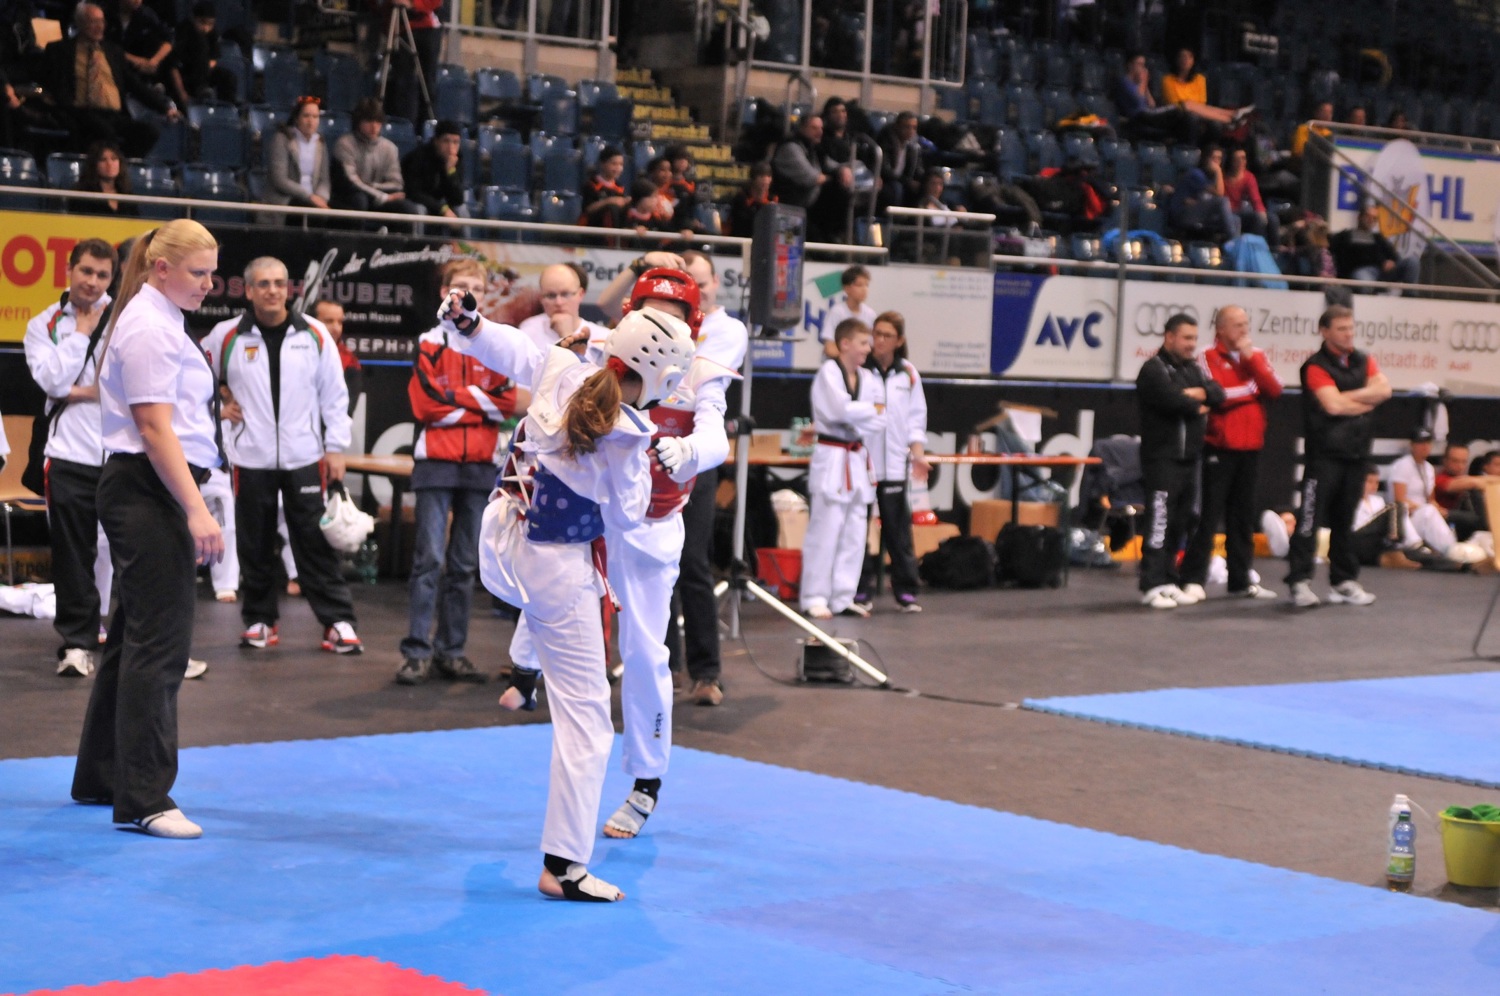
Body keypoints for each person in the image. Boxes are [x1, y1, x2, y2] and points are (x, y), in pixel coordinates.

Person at [437, 285, 695, 903]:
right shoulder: (626, 436)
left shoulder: (562, 366)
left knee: (551, 616)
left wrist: (471, 326)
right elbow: (628, 517)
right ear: (657, 375)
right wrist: (656, 461)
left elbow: (515, 352)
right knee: (587, 721)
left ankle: (523, 674)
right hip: (556, 566)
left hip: (505, 537)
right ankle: (565, 866)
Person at [71, 218, 224, 839]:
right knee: (160, 646)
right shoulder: (149, 327)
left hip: (146, 484)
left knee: (133, 636)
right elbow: (155, 429)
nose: (208, 284)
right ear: (162, 268)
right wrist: (196, 509)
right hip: (148, 487)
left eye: (213, 273)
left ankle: (101, 775)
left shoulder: (158, 319)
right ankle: (145, 798)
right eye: (198, 272)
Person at [201, 257, 361, 653]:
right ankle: (260, 621)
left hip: (304, 455)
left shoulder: (315, 333)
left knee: (313, 541)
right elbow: (194, 379)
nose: (272, 290)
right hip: (249, 456)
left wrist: (335, 448)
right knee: (254, 542)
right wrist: (220, 405)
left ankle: (337, 621)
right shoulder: (226, 336)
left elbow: (334, 395)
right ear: (249, 290)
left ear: (289, 289)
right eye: (264, 284)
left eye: (279, 283)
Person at [397, 259, 522, 685]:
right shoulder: (429, 342)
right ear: (445, 293)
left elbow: (506, 404)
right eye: (461, 286)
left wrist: (457, 400)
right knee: (429, 560)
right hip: (435, 461)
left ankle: (451, 652)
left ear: (484, 295)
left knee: (466, 564)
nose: (469, 293)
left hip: (481, 465)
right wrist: (479, 404)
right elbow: (424, 406)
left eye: (477, 288)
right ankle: (416, 652)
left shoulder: (497, 344)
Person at [24, 239, 117, 677]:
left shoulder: (126, 317)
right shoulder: (43, 323)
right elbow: (52, 382)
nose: (93, 282)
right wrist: (80, 333)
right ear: (69, 270)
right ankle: (77, 644)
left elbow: (127, 383)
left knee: (135, 552)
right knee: (73, 555)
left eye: (102, 275)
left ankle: (141, 642)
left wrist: (80, 390)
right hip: (68, 454)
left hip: (124, 454)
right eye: (86, 271)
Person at [663, 251, 746, 707]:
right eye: (685, 282)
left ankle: (706, 671)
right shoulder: (662, 320)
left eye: (701, 281)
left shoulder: (727, 329)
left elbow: (690, 374)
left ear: (715, 283)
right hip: (654, 450)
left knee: (692, 561)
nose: (695, 289)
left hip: (699, 451)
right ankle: (665, 667)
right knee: (655, 562)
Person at [1287, 305, 1391, 608]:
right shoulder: (1314, 366)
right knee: (1309, 520)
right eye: (1342, 329)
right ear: (1325, 331)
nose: (1349, 334)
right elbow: (1332, 406)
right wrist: (1364, 399)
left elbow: (1384, 390)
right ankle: (1299, 581)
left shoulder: (1363, 359)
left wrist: (1346, 398)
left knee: (1345, 521)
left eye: (1351, 328)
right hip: (1324, 456)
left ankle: (1343, 581)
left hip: (1356, 455)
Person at [1179, 305, 1282, 602]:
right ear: (1221, 329)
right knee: (1208, 516)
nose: (1244, 330)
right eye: (1237, 324)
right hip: (1219, 447)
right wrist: (1252, 388)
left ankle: (1240, 580)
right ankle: (1192, 579)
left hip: (1251, 447)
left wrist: (1251, 362)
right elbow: (1218, 395)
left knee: (1243, 517)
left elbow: (1274, 389)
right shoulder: (1206, 356)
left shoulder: (1256, 355)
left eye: (1246, 324)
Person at [1136, 313, 1224, 609]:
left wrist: (1200, 394)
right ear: (1169, 337)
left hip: (1189, 459)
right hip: (1162, 459)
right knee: (1159, 521)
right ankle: (1151, 584)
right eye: (1186, 338)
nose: (1191, 344)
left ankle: (1169, 580)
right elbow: (1171, 400)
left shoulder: (1192, 369)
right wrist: (1196, 403)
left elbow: (1218, 393)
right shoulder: (1153, 369)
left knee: (1181, 522)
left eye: (1194, 338)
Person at [801, 318, 883, 620]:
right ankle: (815, 596)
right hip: (832, 455)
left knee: (854, 532)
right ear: (845, 344)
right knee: (826, 530)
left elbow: (881, 417)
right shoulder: (829, 372)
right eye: (863, 343)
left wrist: (857, 413)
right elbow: (837, 411)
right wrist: (866, 411)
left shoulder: (868, 377)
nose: (868, 349)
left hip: (857, 458)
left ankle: (842, 596)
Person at [42, 2, 178, 157]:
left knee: (148, 133)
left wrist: (164, 107)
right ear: (80, 23)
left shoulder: (113, 52)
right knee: (104, 132)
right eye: (94, 22)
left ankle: (120, 164)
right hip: (79, 111)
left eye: (102, 21)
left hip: (113, 114)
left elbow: (135, 85)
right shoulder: (59, 50)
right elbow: (52, 83)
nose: (100, 27)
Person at [859, 311, 929, 612]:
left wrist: (918, 456)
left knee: (898, 531)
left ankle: (906, 590)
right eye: (876, 333)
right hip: (862, 464)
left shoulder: (908, 373)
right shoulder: (861, 369)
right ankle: (859, 590)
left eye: (887, 335)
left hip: (895, 465)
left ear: (899, 341)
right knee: (858, 529)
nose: (880, 340)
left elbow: (916, 420)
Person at [331, 97, 425, 221]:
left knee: (408, 208)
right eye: (369, 121)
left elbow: (396, 184)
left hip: (379, 197)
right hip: (351, 195)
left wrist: (371, 187)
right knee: (360, 200)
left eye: (378, 121)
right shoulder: (345, 144)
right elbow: (351, 182)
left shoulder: (390, 148)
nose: (374, 126)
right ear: (358, 122)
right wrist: (382, 196)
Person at [263, 96, 331, 222]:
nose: (311, 121)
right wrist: (309, 197)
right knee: (313, 216)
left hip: (314, 198)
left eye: (315, 117)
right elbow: (280, 180)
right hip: (287, 198)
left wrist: (322, 198)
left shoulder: (320, 143)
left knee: (342, 215)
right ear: (297, 118)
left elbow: (324, 180)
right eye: (306, 116)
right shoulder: (282, 139)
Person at [375, 0, 441, 125]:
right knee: (402, 82)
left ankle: (427, 124)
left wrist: (412, 4)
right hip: (400, 28)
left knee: (427, 82)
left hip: (427, 28)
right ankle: (404, 124)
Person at [1330, 204, 1420, 293]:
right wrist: (1381, 262)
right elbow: (1358, 257)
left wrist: (1392, 262)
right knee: (1364, 281)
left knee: (1412, 261)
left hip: (1383, 273)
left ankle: (1409, 296)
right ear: (1359, 217)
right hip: (1361, 271)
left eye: (1374, 218)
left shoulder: (1378, 238)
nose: (1371, 220)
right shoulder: (1346, 235)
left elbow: (1394, 256)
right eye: (1368, 216)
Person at [1112, 51, 1197, 144]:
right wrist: (1143, 82)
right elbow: (1138, 101)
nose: (1142, 68)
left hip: (1148, 114)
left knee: (1185, 119)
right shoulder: (1124, 82)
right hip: (1138, 116)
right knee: (1176, 109)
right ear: (1130, 65)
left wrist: (1146, 87)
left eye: (1144, 65)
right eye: (1139, 64)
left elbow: (1152, 104)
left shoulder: (1140, 84)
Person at [1160, 48, 1253, 132]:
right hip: (1175, 114)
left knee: (1194, 107)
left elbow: (1202, 104)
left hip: (1197, 113)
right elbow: (1174, 103)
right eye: (1182, 56)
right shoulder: (1167, 80)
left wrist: (1193, 105)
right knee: (1187, 104)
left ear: (1193, 61)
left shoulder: (1200, 79)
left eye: (1189, 57)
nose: (1185, 60)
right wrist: (1191, 104)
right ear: (1177, 60)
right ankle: (1230, 118)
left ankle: (1232, 115)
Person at [517, 263, 602, 354]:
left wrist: (567, 334)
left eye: (565, 294)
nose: (559, 302)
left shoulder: (602, 337)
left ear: (580, 294)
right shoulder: (528, 332)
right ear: (541, 298)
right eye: (551, 295)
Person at [168, 1, 235, 107]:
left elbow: (213, 59)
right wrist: (182, 94)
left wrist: (205, 68)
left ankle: (226, 109)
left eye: (210, 24)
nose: (206, 28)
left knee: (228, 77)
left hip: (203, 72)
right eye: (202, 22)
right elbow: (173, 66)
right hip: (185, 73)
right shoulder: (184, 31)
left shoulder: (212, 34)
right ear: (194, 19)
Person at [401, 119, 468, 221]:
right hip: (419, 202)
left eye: (455, 142)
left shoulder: (457, 159)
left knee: (461, 210)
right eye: (446, 141)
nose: (451, 147)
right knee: (419, 210)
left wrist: (450, 171)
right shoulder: (419, 156)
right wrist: (442, 209)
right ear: (436, 141)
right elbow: (414, 193)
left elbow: (458, 200)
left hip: (439, 203)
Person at [312, 299, 363, 415]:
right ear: (312, 323)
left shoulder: (349, 361)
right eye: (329, 321)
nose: (336, 328)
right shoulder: (293, 352)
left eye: (340, 322)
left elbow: (345, 411)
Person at [822, 264, 875, 359]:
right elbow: (829, 347)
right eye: (859, 285)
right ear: (846, 289)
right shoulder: (837, 312)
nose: (864, 289)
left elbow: (872, 346)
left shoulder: (871, 314)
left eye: (867, 285)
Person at [73, 139, 137, 217]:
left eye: (114, 159)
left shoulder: (127, 194)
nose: (109, 164)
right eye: (103, 160)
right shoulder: (82, 194)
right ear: (94, 164)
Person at [876, 111, 923, 212]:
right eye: (907, 127)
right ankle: (893, 219)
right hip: (885, 181)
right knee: (896, 188)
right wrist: (907, 182)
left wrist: (925, 180)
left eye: (914, 128)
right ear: (897, 126)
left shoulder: (914, 146)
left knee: (925, 187)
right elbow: (885, 171)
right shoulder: (886, 140)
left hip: (903, 181)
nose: (911, 131)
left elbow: (918, 169)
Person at [1222, 147, 1270, 238]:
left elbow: (1255, 199)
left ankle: (1274, 245)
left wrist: (1261, 211)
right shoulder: (1222, 177)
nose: (1242, 162)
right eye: (1238, 159)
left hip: (1241, 210)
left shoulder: (1248, 177)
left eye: (1244, 158)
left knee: (1272, 218)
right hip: (1227, 212)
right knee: (1255, 218)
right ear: (1231, 162)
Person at [579, 145, 629, 229]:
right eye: (614, 164)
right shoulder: (591, 185)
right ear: (602, 164)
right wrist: (609, 201)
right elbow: (588, 209)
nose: (618, 168)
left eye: (621, 164)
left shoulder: (619, 187)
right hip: (593, 228)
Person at [728, 162, 776, 238]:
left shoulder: (773, 199)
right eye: (761, 176)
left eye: (768, 176)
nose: (765, 180)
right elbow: (740, 225)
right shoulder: (741, 199)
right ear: (753, 178)